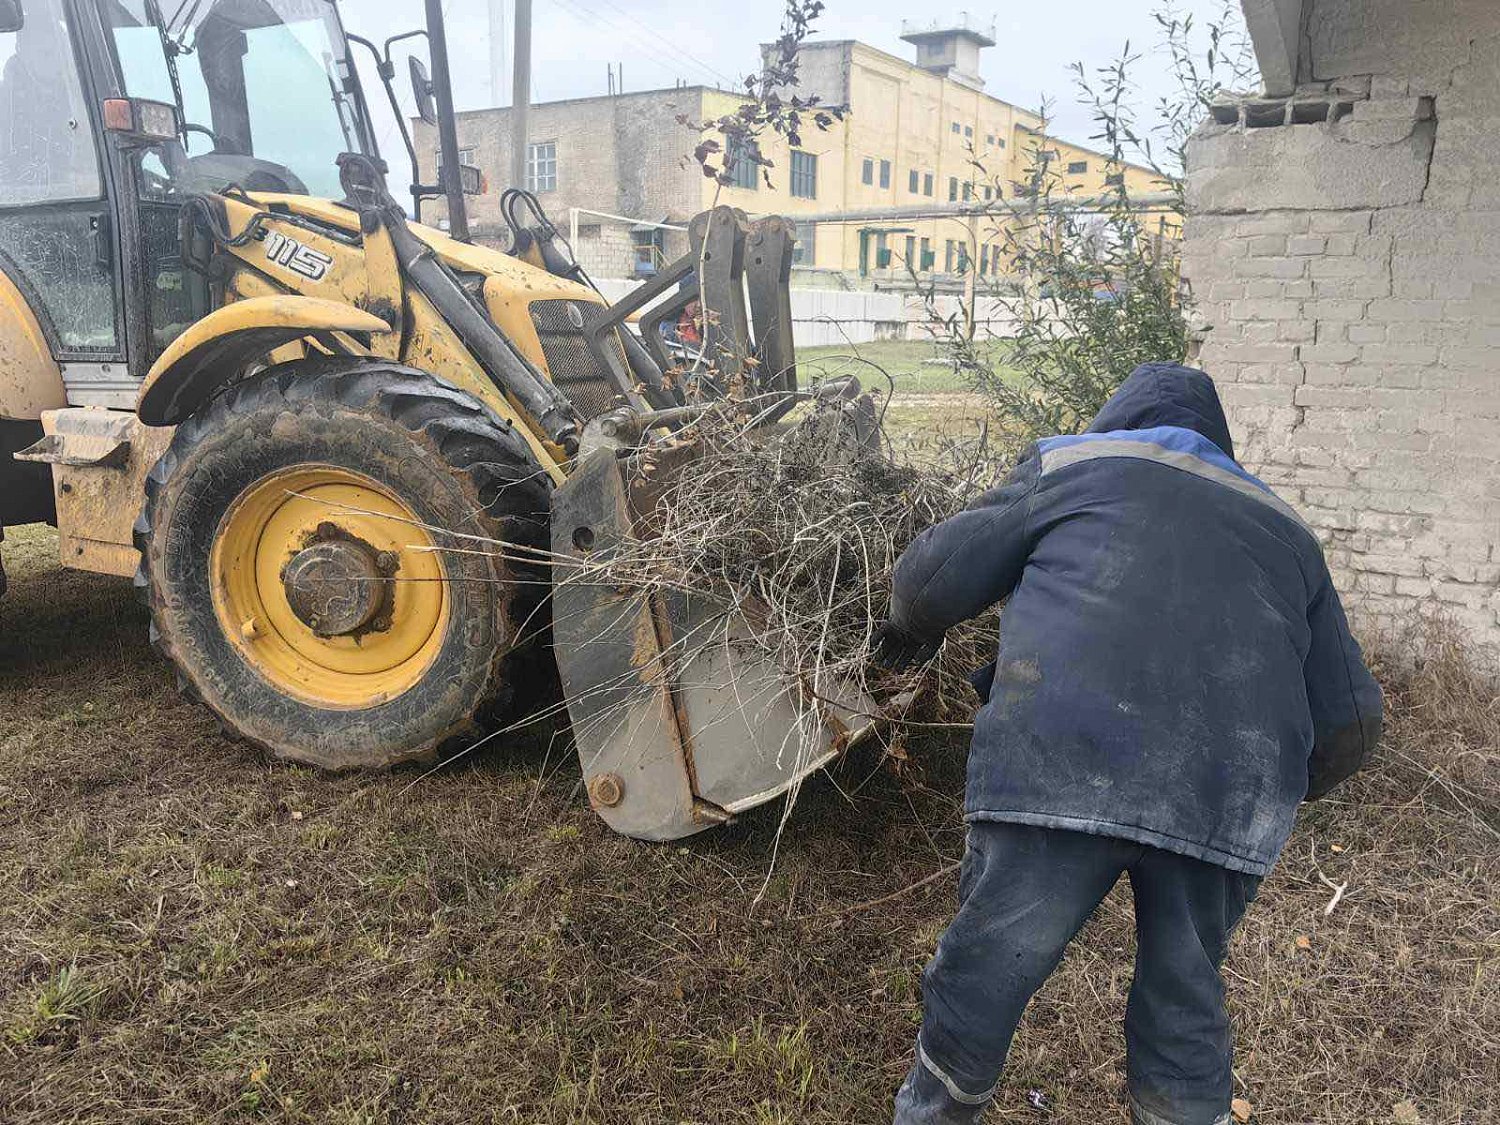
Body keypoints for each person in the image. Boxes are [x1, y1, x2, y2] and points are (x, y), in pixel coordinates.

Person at [873, 362, 1383, 1125]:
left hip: (1059, 762)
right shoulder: (1287, 529)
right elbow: (1353, 721)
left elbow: (930, 579)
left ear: (1115, 419)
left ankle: (934, 1114)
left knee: (986, 972)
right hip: (1225, 793)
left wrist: (901, 642)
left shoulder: (1072, 462)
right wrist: (1269, 778)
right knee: (1185, 999)